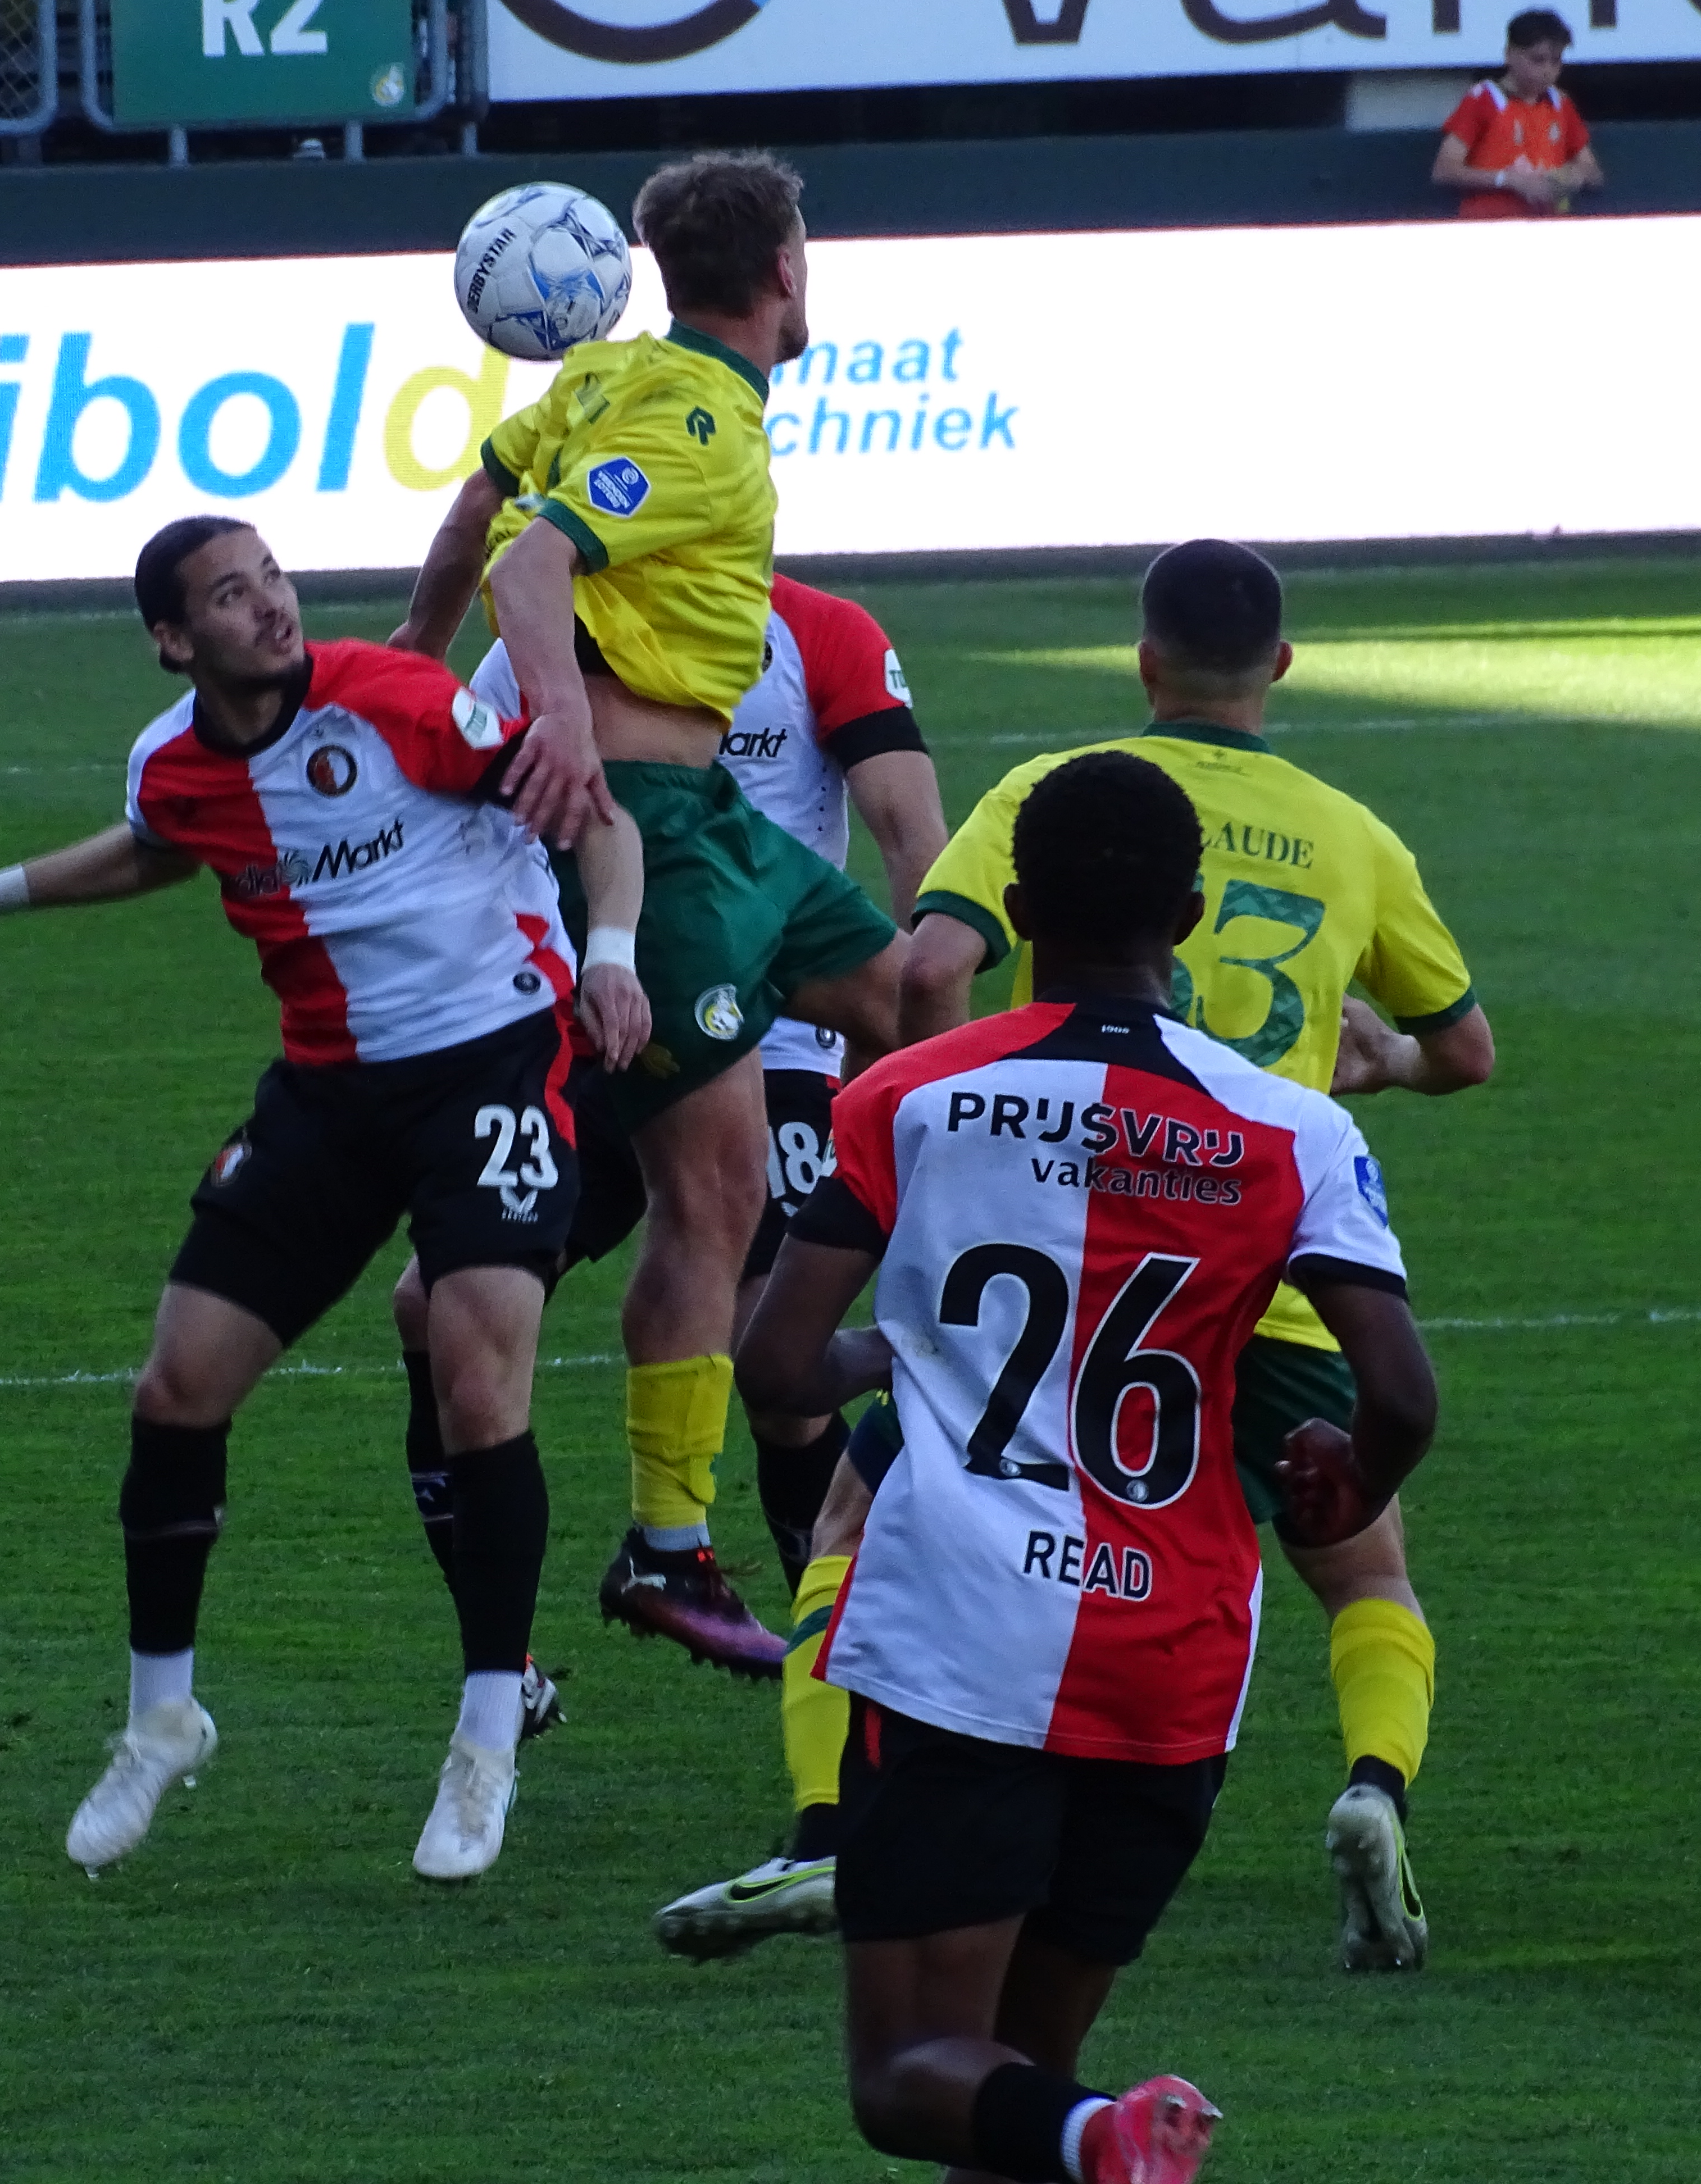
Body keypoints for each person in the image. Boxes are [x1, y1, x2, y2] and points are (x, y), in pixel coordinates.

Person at [0, 518, 645, 1883]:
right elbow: (163, 844)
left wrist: (612, 954)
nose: (270, 604)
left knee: (474, 1374)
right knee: (176, 1387)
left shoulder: (394, 700)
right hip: (329, 1098)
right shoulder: (175, 765)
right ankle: (163, 1717)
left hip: (498, 1061)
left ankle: (483, 1739)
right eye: (230, 594)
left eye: (272, 576)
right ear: (173, 640)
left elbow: (596, 813)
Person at [736, 749, 1440, 2184]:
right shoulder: (1294, 1126)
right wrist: (1346, 1480)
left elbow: (772, 1363)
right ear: (1186, 914)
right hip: (1168, 1657)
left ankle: (1105, 2129)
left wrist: (879, 1363)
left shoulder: (906, 1097)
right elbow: (1401, 1394)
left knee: (909, 2077)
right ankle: (1088, 2133)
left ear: (1015, 899)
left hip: (957, 1640)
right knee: (1009, 2084)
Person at [393, 152, 911, 1680]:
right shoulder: (698, 430)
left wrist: (409, 672)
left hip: (721, 830)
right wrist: (551, 718)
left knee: (922, 997)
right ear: (788, 270)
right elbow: (537, 559)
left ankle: (958, 1304)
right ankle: (670, 1546)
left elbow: (484, 499)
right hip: (648, 827)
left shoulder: (614, 375)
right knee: (718, 1192)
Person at [386, 574, 946, 1741]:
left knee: (771, 1353)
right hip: (613, 995)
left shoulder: (823, 632)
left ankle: (856, 1673)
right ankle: (517, 1655)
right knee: (431, 1306)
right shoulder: (564, 622)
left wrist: (909, 1075)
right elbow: (499, 809)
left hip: (783, 1036)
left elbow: (913, 837)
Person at [1432, 10, 1603, 220]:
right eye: (1538, 60)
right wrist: (1510, 180)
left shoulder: (1561, 104)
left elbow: (1592, 171)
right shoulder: (1483, 100)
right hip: (1488, 227)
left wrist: (1571, 177)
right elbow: (1445, 170)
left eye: (1556, 61)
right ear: (1509, 55)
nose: (1548, 71)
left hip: (1548, 227)